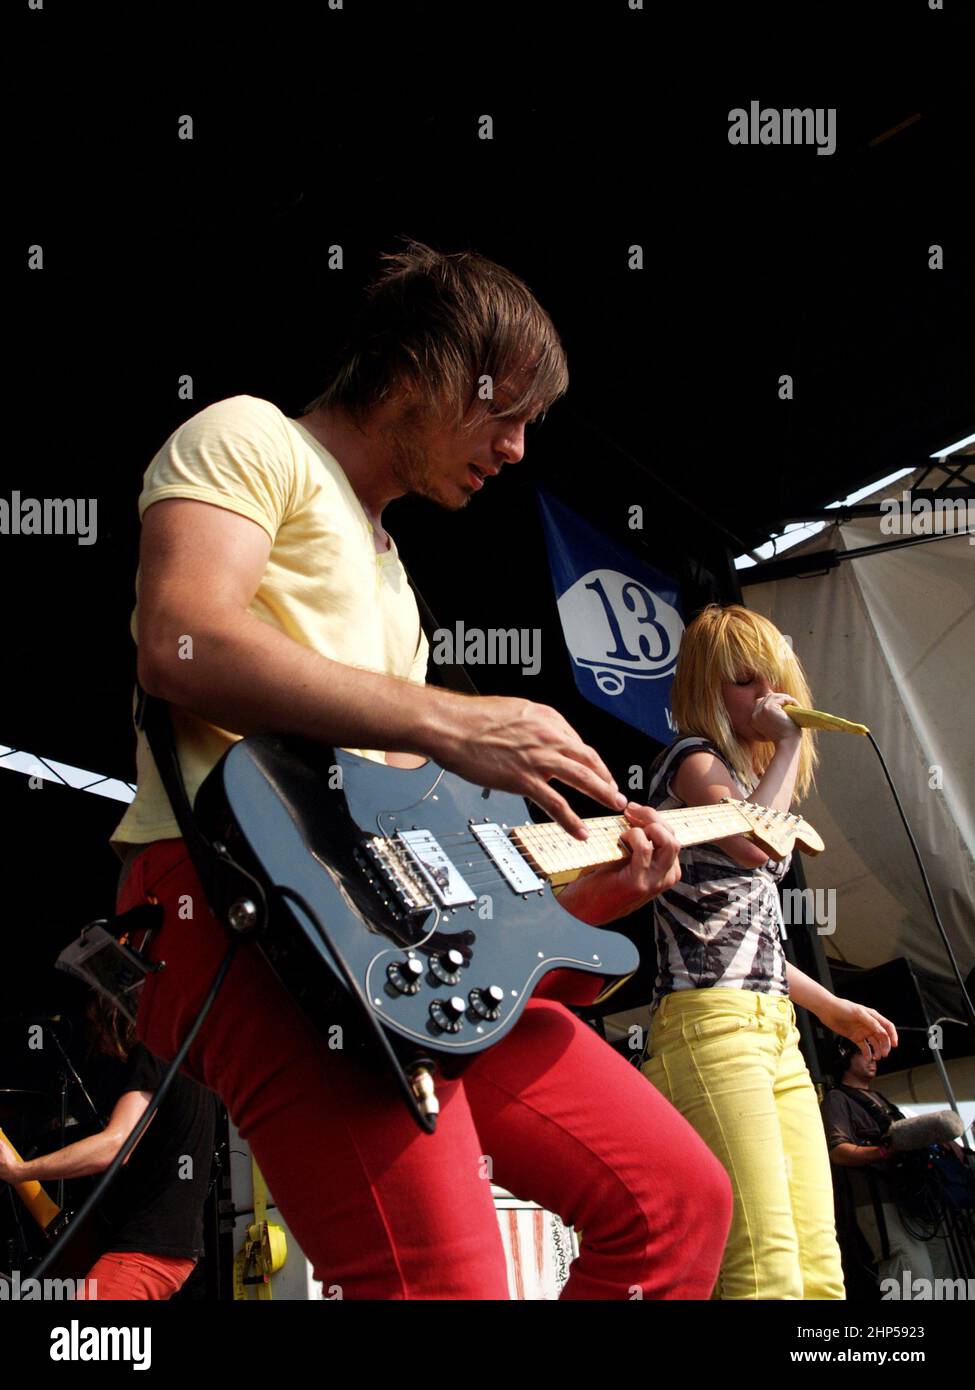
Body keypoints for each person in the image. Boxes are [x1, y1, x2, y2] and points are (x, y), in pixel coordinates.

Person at [109, 240, 733, 1300]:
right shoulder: (248, 436)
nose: (520, 447)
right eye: (507, 411)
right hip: (231, 904)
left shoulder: (397, 576)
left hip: (370, 935)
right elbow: (177, 643)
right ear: (419, 371)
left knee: (675, 1204)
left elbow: (411, 854)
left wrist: (588, 889)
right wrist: (454, 721)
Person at [639, 603, 898, 1299]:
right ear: (705, 688)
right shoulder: (692, 761)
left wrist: (832, 1007)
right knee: (763, 1269)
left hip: (769, 1026)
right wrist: (786, 745)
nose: (766, 698)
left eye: (772, 681)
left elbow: (742, 941)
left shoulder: (746, 785)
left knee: (820, 1269)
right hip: (710, 1026)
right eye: (744, 683)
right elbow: (758, 843)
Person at [0, 997, 216, 1300]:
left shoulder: (154, 1050)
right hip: (167, 1248)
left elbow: (115, 1146)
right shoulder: (187, 1055)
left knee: (78, 1345)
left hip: (146, 1251)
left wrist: (19, 1170)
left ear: (115, 1018)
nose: (102, 1047)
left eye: (98, 1030)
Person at [822, 1040, 960, 1287]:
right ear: (844, 1058)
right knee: (910, 1276)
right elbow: (839, 1152)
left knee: (934, 1277)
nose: (873, 1058)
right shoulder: (837, 1098)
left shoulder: (880, 1098)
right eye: (865, 1053)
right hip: (878, 1202)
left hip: (906, 1198)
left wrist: (942, 1141)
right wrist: (884, 1152)